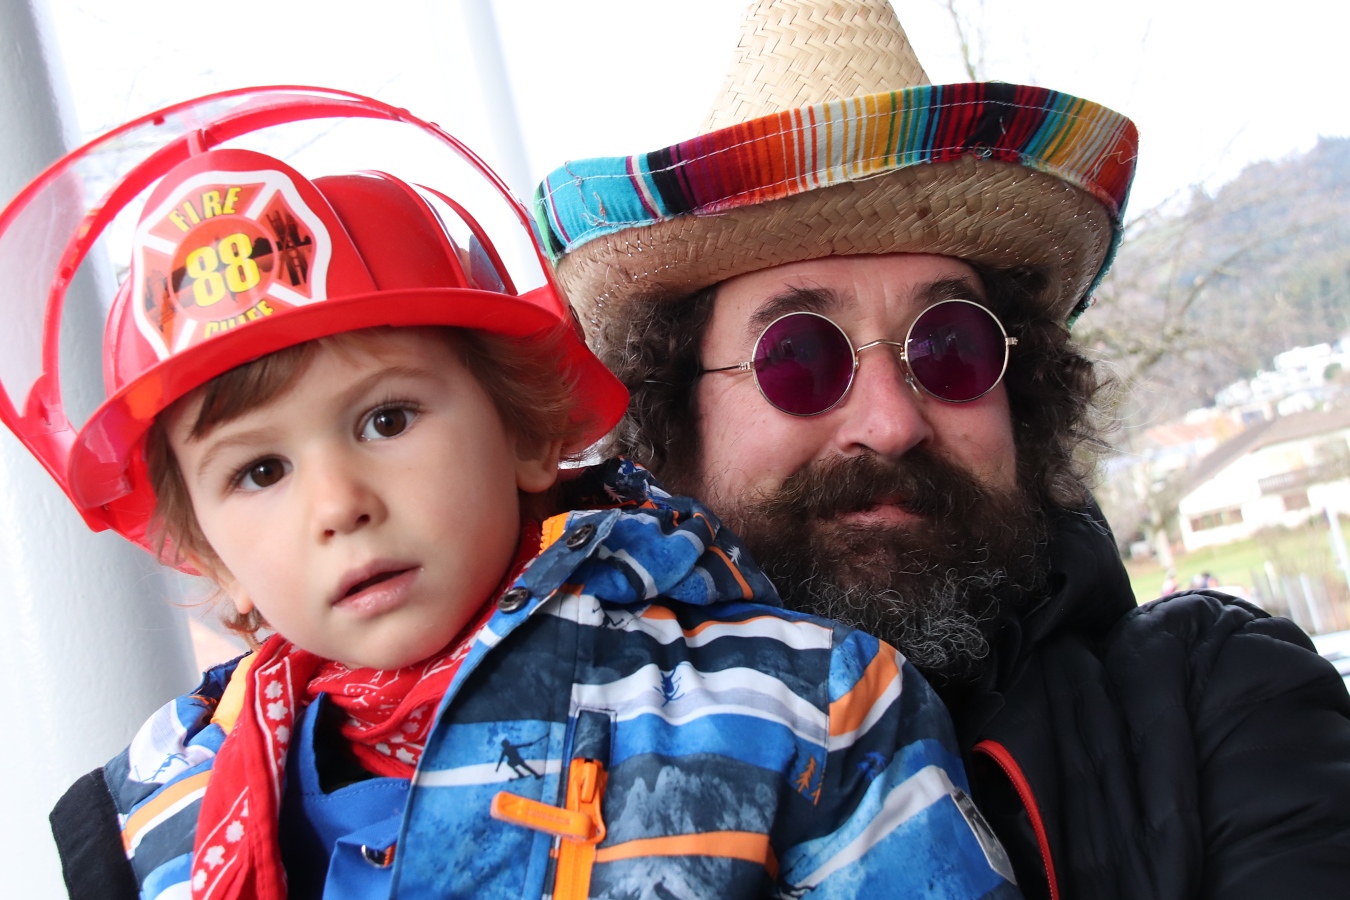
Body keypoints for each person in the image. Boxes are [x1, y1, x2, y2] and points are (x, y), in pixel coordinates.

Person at [6, 91, 1021, 899]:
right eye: (259, 471)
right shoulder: (159, 816)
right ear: (210, 552)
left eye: (386, 420)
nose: (338, 503)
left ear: (528, 433)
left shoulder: (794, 709)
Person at [533, 1, 1350, 897]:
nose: (892, 423)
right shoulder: (540, 775)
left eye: (950, 347)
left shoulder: (1223, 701)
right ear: (673, 415)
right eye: (799, 357)